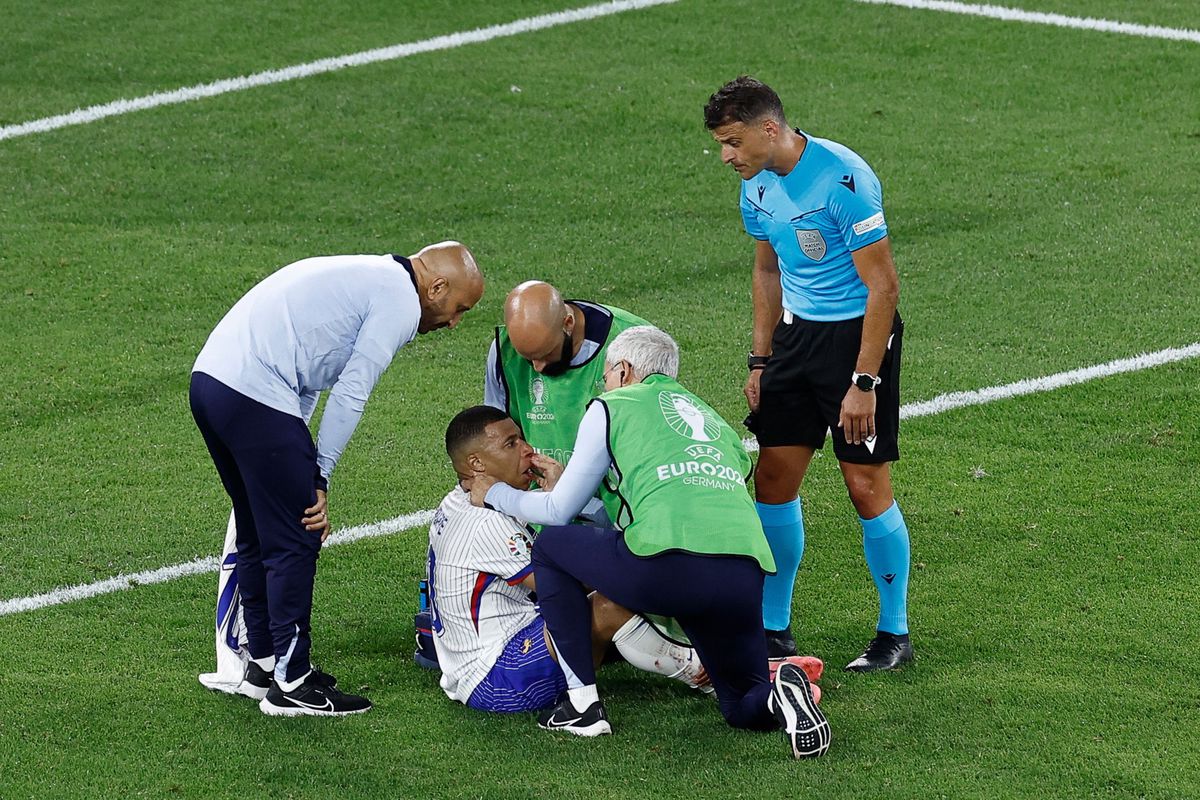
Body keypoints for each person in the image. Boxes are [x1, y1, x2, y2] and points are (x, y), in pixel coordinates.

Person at [470, 326, 830, 758]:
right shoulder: (715, 422)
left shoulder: (612, 405)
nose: (604, 384)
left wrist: (494, 493)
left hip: (669, 567)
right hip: (743, 573)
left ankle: (581, 706)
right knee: (740, 705)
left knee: (551, 548)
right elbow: (669, 491)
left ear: (623, 370)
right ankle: (780, 697)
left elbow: (558, 513)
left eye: (606, 375)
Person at [191, 243, 483, 716]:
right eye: (458, 309)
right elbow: (351, 391)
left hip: (211, 381)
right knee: (298, 534)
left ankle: (262, 665)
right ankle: (293, 683)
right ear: (437, 287)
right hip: (252, 389)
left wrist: (299, 460)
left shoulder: (372, 275)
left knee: (256, 526)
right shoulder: (400, 301)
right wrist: (318, 473)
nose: (454, 323)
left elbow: (305, 377)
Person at [704, 76, 913, 671]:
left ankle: (893, 632)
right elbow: (767, 272)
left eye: (733, 141)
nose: (727, 156)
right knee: (773, 479)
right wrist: (762, 358)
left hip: (857, 340)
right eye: (721, 143)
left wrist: (863, 381)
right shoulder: (756, 185)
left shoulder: (845, 181)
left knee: (865, 486)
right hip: (796, 340)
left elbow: (884, 287)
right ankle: (774, 630)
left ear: (769, 129)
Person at [428, 405, 711, 715]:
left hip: (482, 655)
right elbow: (563, 585)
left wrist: (563, 498)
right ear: (477, 463)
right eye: (511, 444)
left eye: (521, 439)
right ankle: (703, 670)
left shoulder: (457, 500)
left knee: (619, 586)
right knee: (608, 605)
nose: (527, 450)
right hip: (497, 678)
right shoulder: (484, 524)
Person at [484, 280, 649, 467]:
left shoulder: (634, 342)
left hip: (612, 492)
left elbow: (649, 437)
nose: (537, 368)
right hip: (538, 491)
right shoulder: (503, 350)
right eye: (527, 359)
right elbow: (496, 434)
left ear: (568, 324)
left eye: (546, 353)